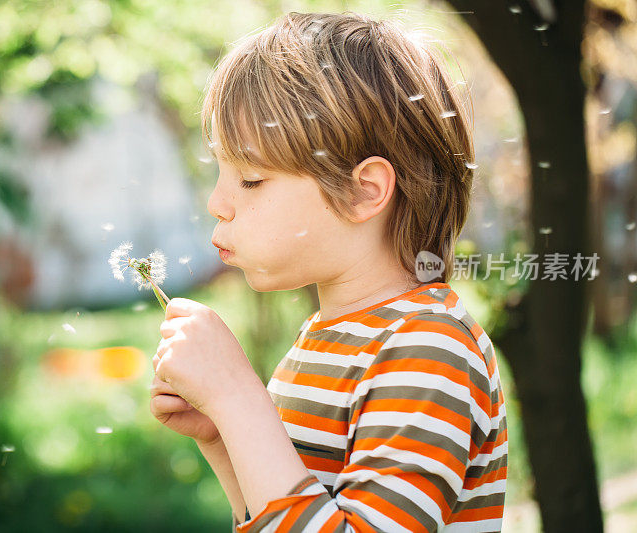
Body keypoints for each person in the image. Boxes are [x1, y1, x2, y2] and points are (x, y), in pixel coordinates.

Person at [150, 11, 506, 532]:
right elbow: (288, 517)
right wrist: (223, 438)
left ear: (364, 191)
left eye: (250, 179)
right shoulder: (329, 338)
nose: (217, 202)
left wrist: (237, 397)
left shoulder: (429, 353)